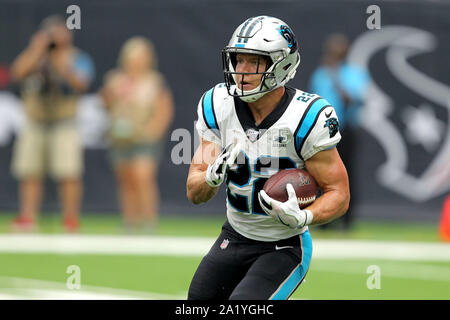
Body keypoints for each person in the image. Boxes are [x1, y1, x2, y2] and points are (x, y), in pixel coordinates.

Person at [186, 16, 350, 300]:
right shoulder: (218, 104)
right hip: (234, 236)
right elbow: (195, 192)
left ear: (283, 64)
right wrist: (211, 177)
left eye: (254, 62)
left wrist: (305, 216)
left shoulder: (306, 116)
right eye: (238, 60)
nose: (241, 70)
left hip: (283, 246)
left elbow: (339, 193)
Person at [10, 15, 95, 233]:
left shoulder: (77, 58)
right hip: (35, 121)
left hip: (64, 122)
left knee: (68, 172)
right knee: (30, 171)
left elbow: (82, 83)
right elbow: (17, 73)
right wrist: (36, 51)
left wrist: (61, 63)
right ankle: (28, 217)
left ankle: (70, 219)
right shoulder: (34, 56)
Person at [100, 37, 174, 232]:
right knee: (126, 179)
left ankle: (148, 220)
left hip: (144, 136)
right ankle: (130, 220)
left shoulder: (154, 81)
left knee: (143, 177)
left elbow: (164, 108)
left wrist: (155, 129)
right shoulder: (115, 79)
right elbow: (105, 105)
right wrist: (111, 95)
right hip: (120, 136)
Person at [309, 33, 370, 230]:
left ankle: (347, 221)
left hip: (346, 129)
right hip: (323, 130)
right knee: (320, 172)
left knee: (347, 173)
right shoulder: (320, 74)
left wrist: (336, 77)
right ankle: (322, 220)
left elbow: (352, 100)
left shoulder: (354, 73)